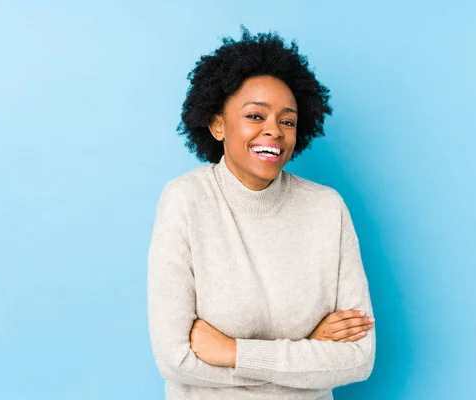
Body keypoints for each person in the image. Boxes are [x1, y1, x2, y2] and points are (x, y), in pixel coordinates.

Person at [147, 26, 376, 400]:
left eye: (287, 121)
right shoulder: (185, 200)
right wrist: (307, 355)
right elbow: (175, 360)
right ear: (217, 124)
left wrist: (233, 352)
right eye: (256, 116)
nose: (274, 131)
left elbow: (356, 359)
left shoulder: (326, 208)